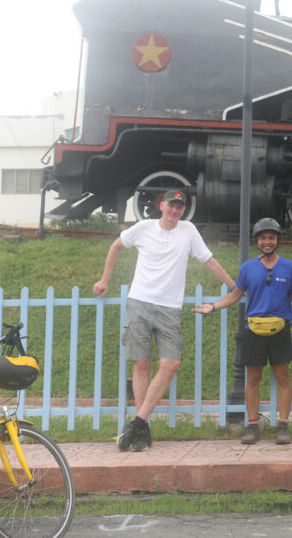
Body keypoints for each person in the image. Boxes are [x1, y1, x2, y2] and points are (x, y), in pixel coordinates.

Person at [93, 190, 235, 452]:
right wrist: (105, 280)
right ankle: (142, 433)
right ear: (161, 205)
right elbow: (116, 246)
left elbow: (209, 261)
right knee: (142, 364)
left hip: (170, 308)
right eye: (171, 205)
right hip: (140, 302)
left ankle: (137, 422)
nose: (175, 210)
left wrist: (234, 286)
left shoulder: (189, 230)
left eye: (180, 207)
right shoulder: (144, 228)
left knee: (171, 363)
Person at [194, 217, 292, 445]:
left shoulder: (290, 267)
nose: (267, 242)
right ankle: (252, 425)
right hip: (254, 329)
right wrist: (213, 306)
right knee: (252, 379)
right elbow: (236, 294)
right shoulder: (248, 268)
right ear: (257, 241)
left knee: (282, 377)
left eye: (271, 237)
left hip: (280, 328)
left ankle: (282, 425)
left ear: (278, 240)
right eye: (263, 238)